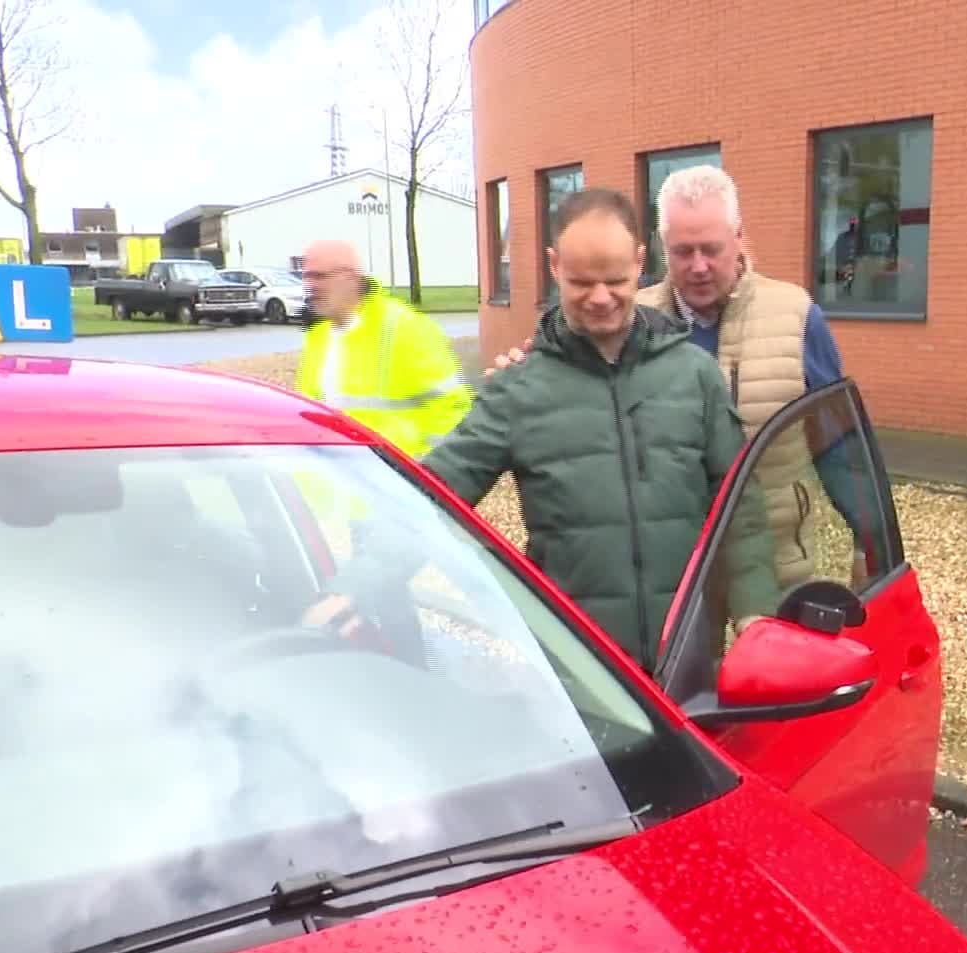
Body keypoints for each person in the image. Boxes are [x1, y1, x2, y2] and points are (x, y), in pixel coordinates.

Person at [358, 186, 778, 673]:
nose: (600, 298)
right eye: (581, 282)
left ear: (640, 262)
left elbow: (740, 509)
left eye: (616, 279)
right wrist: (362, 583)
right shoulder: (518, 390)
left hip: (687, 657)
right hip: (582, 671)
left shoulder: (695, 375)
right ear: (554, 265)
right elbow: (432, 494)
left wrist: (755, 619)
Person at [486, 165, 873, 593]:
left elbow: (839, 442)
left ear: (739, 237)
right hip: (672, 588)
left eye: (712, 249)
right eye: (683, 251)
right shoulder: (624, 316)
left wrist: (869, 542)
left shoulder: (797, 317)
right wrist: (520, 374)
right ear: (658, 249)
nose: (699, 266)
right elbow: (566, 377)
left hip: (778, 570)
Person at [293, 239, 473, 461]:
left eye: (320, 276)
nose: (311, 285)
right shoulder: (318, 335)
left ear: (350, 278)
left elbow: (452, 410)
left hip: (393, 485)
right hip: (335, 485)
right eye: (307, 276)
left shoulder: (405, 328)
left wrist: (426, 476)